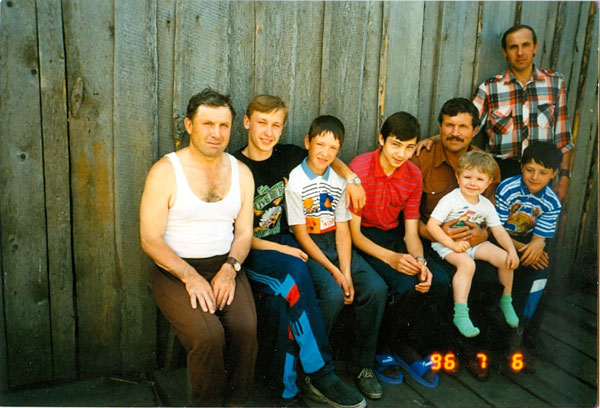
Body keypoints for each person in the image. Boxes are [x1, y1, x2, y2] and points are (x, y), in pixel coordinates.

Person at [233, 95, 367, 408]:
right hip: (253, 250)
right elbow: (238, 235)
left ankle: (288, 391)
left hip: (287, 245)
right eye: (262, 123)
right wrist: (282, 249)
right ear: (247, 122)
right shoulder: (235, 167)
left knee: (292, 304)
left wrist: (352, 179)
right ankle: (321, 372)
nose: (269, 132)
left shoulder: (288, 154)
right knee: (294, 276)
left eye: (276, 125)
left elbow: (329, 158)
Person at [139, 88, 257, 406]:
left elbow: (244, 233)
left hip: (224, 264)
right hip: (175, 269)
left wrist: (230, 269)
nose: (216, 133)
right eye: (207, 124)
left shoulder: (241, 173)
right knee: (208, 336)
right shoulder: (166, 172)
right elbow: (150, 238)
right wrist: (189, 276)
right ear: (190, 125)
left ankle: (236, 403)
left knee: (245, 329)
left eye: (223, 125)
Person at [286, 115, 387, 402]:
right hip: (311, 247)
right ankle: (313, 368)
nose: (325, 153)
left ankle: (363, 365)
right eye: (320, 144)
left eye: (333, 148)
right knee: (331, 294)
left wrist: (346, 271)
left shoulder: (338, 179)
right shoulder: (295, 180)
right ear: (308, 142)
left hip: (337, 243)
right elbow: (301, 234)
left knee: (376, 288)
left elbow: (343, 228)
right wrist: (334, 271)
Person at [411, 98, 511, 381]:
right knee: (441, 281)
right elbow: (410, 216)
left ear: (475, 130)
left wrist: (482, 235)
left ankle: (474, 350)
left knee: (488, 278)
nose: (455, 133)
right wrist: (438, 235)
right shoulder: (422, 159)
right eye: (449, 125)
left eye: (463, 127)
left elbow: (490, 217)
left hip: (473, 242)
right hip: (431, 240)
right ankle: (443, 350)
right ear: (440, 127)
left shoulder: (487, 165)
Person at [347, 112, 449, 388]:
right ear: (381, 139)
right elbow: (354, 234)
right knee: (403, 285)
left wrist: (420, 261)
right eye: (395, 144)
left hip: (394, 236)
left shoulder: (413, 174)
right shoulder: (361, 168)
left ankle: (408, 347)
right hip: (364, 239)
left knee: (437, 281)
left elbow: (411, 232)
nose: (401, 153)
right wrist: (391, 259)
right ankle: (381, 349)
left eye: (408, 147)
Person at [417, 25, 573, 201]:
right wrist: (433, 140)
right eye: (513, 47)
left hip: (541, 172)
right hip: (502, 171)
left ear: (535, 47)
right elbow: (466, 125)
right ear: (505, 52)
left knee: (539, 217)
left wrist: (564, 177)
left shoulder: (554, 83)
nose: (520, 52)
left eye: (525, 45)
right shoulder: (490, 88)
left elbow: (563, 138)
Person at [427, 150, 520, 338]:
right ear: (458, 177)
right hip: (447, 244)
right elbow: (432, 225)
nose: (472, 183)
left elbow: (498, 230)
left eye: (479, 179)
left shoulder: (486, 204)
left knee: (505, 260)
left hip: (472, 243)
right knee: (467, 264)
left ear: (488, 182)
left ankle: (506, 301)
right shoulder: (451, 199)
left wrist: (512, 251)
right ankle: (461, 314)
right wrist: (452, 245)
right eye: (467, 177)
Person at [495, 141, 562, 351]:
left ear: (554, 174)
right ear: (522, 167)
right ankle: (500, 333)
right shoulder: (507, 189)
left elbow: (539, 238)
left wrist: (537, 247)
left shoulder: (552, 202)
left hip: (525, 244)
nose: (535, 177)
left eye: (543, 172)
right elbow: (496, 230)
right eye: (530, 170)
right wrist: (529, 251)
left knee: (540, 272)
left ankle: (520, 328)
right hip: (499, 240)